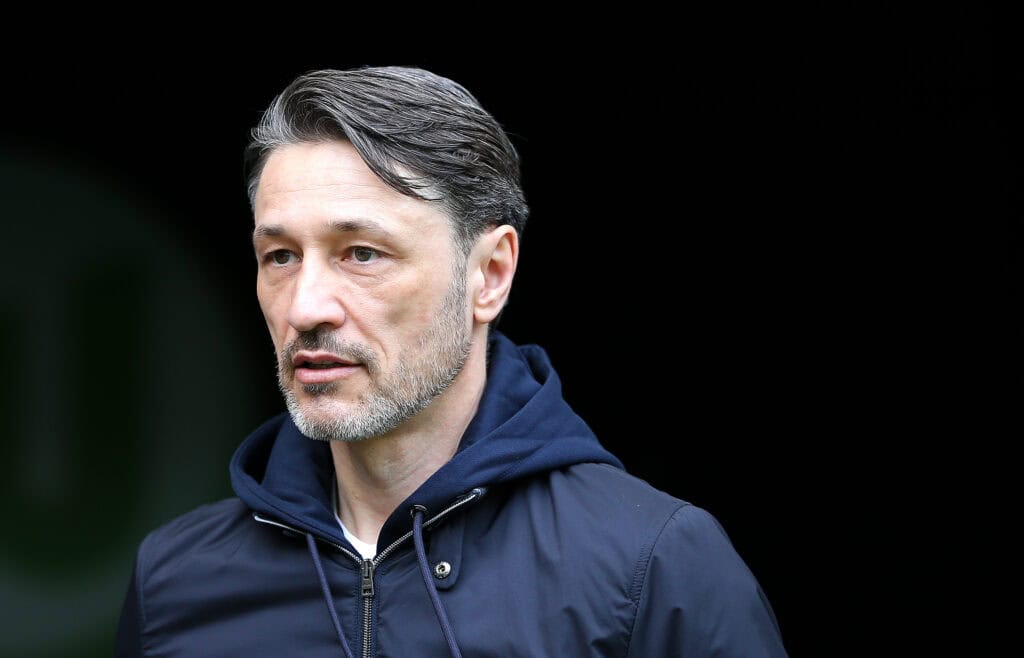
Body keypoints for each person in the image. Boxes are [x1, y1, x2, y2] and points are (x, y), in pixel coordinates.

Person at [115, 65, 788, 658]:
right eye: (281, 256)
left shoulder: (651, 566)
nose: (305, 306)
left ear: (490, 274)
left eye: (362, 253)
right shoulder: (176, 584)